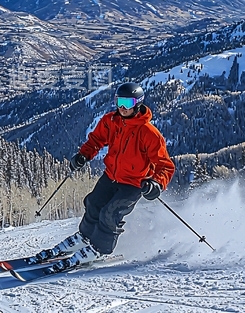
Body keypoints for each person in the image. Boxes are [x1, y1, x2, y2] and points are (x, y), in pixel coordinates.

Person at [35, 82, 175, 267]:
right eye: (119, 102)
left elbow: (165, 166)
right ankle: (85, 238)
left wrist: (156, 183)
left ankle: (100, 249)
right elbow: (96, 140)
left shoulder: (148, 133)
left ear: (138, 103)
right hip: (111, 176)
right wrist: (84, 155)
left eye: (128, 102)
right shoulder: (111, 121)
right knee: (93, 203)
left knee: (110, 213)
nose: (123, 108)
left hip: (133, 184)